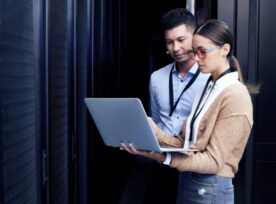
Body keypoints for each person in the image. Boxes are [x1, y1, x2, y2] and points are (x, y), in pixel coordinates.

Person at [121, 19, 258, 204]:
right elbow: (186, 143)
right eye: (195, 51)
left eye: (203, 51)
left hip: (212, 188)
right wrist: (154, 133)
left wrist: (164, 157)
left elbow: (214, 161)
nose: (197, 57)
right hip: (190, 181)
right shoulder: (208, 87)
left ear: (224, 49)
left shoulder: (235, 94)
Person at [146, 8, 209, 203]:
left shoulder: (210, 78)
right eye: (170, 42)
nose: (176, 48)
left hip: (195, 164)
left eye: (181, 40)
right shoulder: (156, 78)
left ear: (195, 37)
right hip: (162, 163)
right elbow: (155, 120)